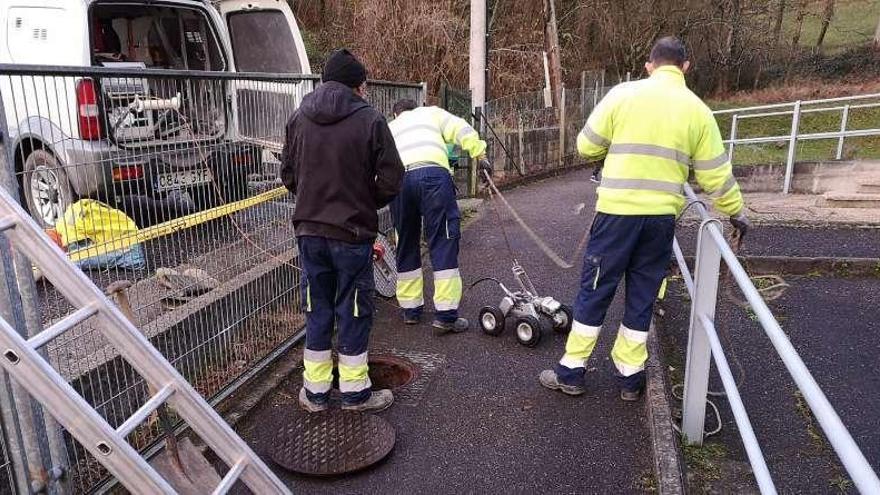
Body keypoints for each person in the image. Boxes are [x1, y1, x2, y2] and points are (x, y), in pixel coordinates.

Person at [539, 37, 750, 402]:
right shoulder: (698, 110)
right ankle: (630, 378)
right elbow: (715, 174)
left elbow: (586, 146)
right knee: (642, 296)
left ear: (649, 66)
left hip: (616, 216)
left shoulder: (623, 95)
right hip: (659, 221)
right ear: (685, 67)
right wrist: (735, 211)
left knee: (595, 292)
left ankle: (572, 371)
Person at [280, 49, 405, 413]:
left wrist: (311, 202)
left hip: (309, 233)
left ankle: (315, 394)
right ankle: (354, 394)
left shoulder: (299, 117)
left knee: (316, 308)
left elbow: (287, 175)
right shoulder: (370, 119)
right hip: (351, 235)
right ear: (359, 85)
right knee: (352, 310)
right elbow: (392, 179)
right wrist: (365, 202)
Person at [388, 100, 492, 333]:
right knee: (443, 240)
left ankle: (410, 310)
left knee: (406, 242)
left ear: (396, 114)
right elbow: (462, 128)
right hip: (433, 176)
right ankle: (445, 316)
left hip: (399, 183)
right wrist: (480, 155)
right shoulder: (430, 113)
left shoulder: (389, 127)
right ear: (416, 107)